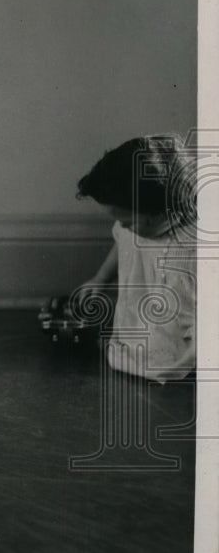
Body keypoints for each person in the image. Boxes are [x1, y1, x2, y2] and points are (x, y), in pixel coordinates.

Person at [75, 134, 196, 382]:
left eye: (127, 221)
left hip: (180, 334)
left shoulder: (191, 247)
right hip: (142, 320)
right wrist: (100, 278)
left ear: (160, 210)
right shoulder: (132, 227)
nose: (121, 226)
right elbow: (123, 245)